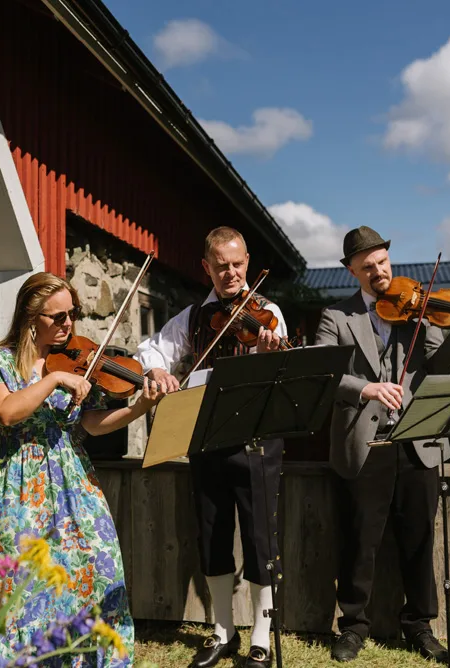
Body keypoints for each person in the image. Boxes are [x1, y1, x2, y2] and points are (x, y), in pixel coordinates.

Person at [315, 226, 450, 664]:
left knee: (419, 539)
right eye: (367, 267)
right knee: (360, 541)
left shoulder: (419, 310)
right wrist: (367, 389)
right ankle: (354, 627)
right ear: (352, 271)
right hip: (365, 444)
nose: (378, 272)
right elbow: (322, 372)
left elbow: (438, 364)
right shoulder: (336, 316)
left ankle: (419, 625)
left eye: (382, 263)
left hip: (417, 440)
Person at [0, 271, 167, 667]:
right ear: (31, 317)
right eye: (57, 317)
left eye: (73, 314)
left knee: (98, 569)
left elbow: (90, 424)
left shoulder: (79, 361)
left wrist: (140, 407)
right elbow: (7, 412)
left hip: (74, 479)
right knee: (23, 586)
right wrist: (55, 378)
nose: (68, 325)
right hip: (20, 481)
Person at [135, 226, 285, 668]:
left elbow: (280, 370)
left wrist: (267, 349)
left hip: (257, 438)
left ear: (246, 260)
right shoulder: (192, 316)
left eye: (238, 264)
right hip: (207, 436)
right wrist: (159, 371)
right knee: (212, 531)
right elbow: (152, 349)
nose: (232, 273)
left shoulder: (266, 310)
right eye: (222, 266)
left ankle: (261, 633)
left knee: (261, 535)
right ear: (206, 268)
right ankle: (223, 629)